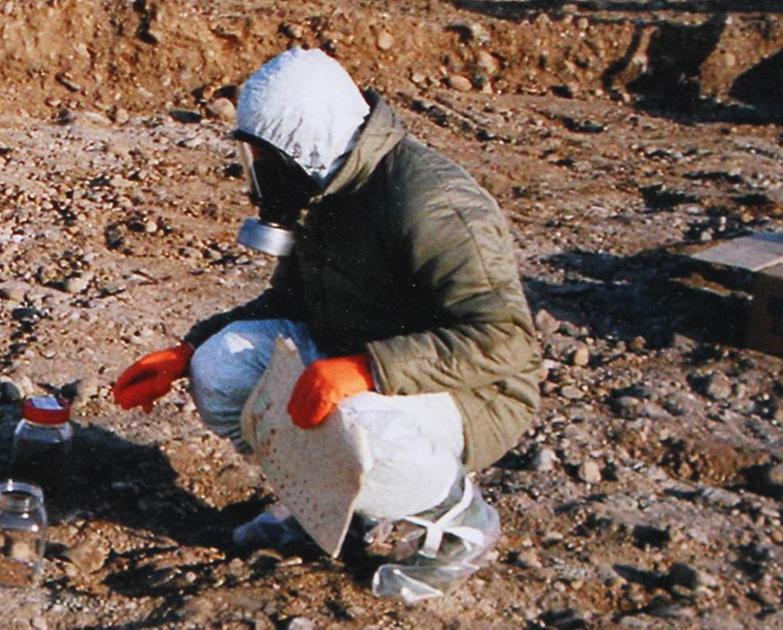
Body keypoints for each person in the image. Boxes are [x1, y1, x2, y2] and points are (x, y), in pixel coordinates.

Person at [113, 49, 541, 601]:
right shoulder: (328, 189)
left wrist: (367, 369)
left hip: (469, 392)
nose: (257, 174)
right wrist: (189, 349)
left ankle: (457, 520)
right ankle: (325, 509)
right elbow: (290, 298)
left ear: (305, 144)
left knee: (358, 424)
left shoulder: (433, 203)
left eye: (266, 158)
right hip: (359, 363)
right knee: (223, 364)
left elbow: (504, 339)